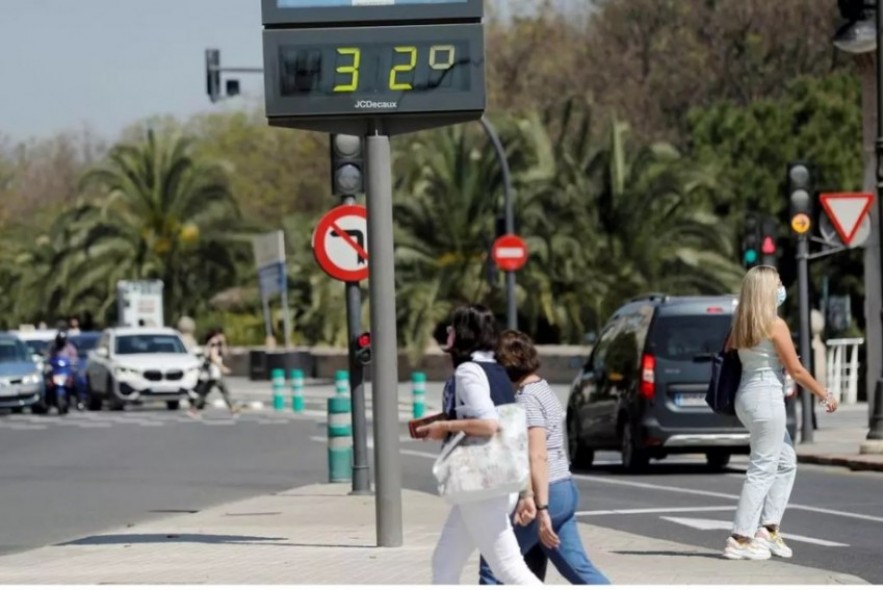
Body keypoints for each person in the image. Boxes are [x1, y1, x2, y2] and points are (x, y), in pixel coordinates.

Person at [416, 304, 542, 585]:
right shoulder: (495, 370)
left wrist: (443, 427)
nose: (447, 333)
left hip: (482, 486)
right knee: (444, 562)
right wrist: (525, 492)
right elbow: (510, 427)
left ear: (462, 334)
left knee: (509, 569)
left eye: (451, 328)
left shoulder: (468, 372)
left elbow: (489, 424)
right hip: (491, 484)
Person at [723, 266, 838, 560]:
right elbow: (796, 370)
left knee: (785, 462)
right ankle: (740, 538)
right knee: (762, 468)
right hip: (766, 397)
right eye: (778, 283)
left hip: (746, 397)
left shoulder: (740, 324)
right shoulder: (775, 325)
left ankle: (768, 530)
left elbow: (730, 354)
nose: (782, 288)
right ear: (766, 292)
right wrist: (825, 394)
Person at [479, 330, 610, 585]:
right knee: (578, 569)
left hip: (547, 492)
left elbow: (537, 455)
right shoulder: (542, 387)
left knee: (494, 562)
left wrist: (542, 509)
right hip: (563, 488)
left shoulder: (527, 398)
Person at [189, 328, 237, 416]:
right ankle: (232, 408)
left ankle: (193, 409)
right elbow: (213, 357)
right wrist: (222, 368)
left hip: (213, 372)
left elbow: (225, 353)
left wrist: (224, 343)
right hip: (215, 372)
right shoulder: (214, 343)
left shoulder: (215, 343)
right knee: (224, 390)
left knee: (205, 392)